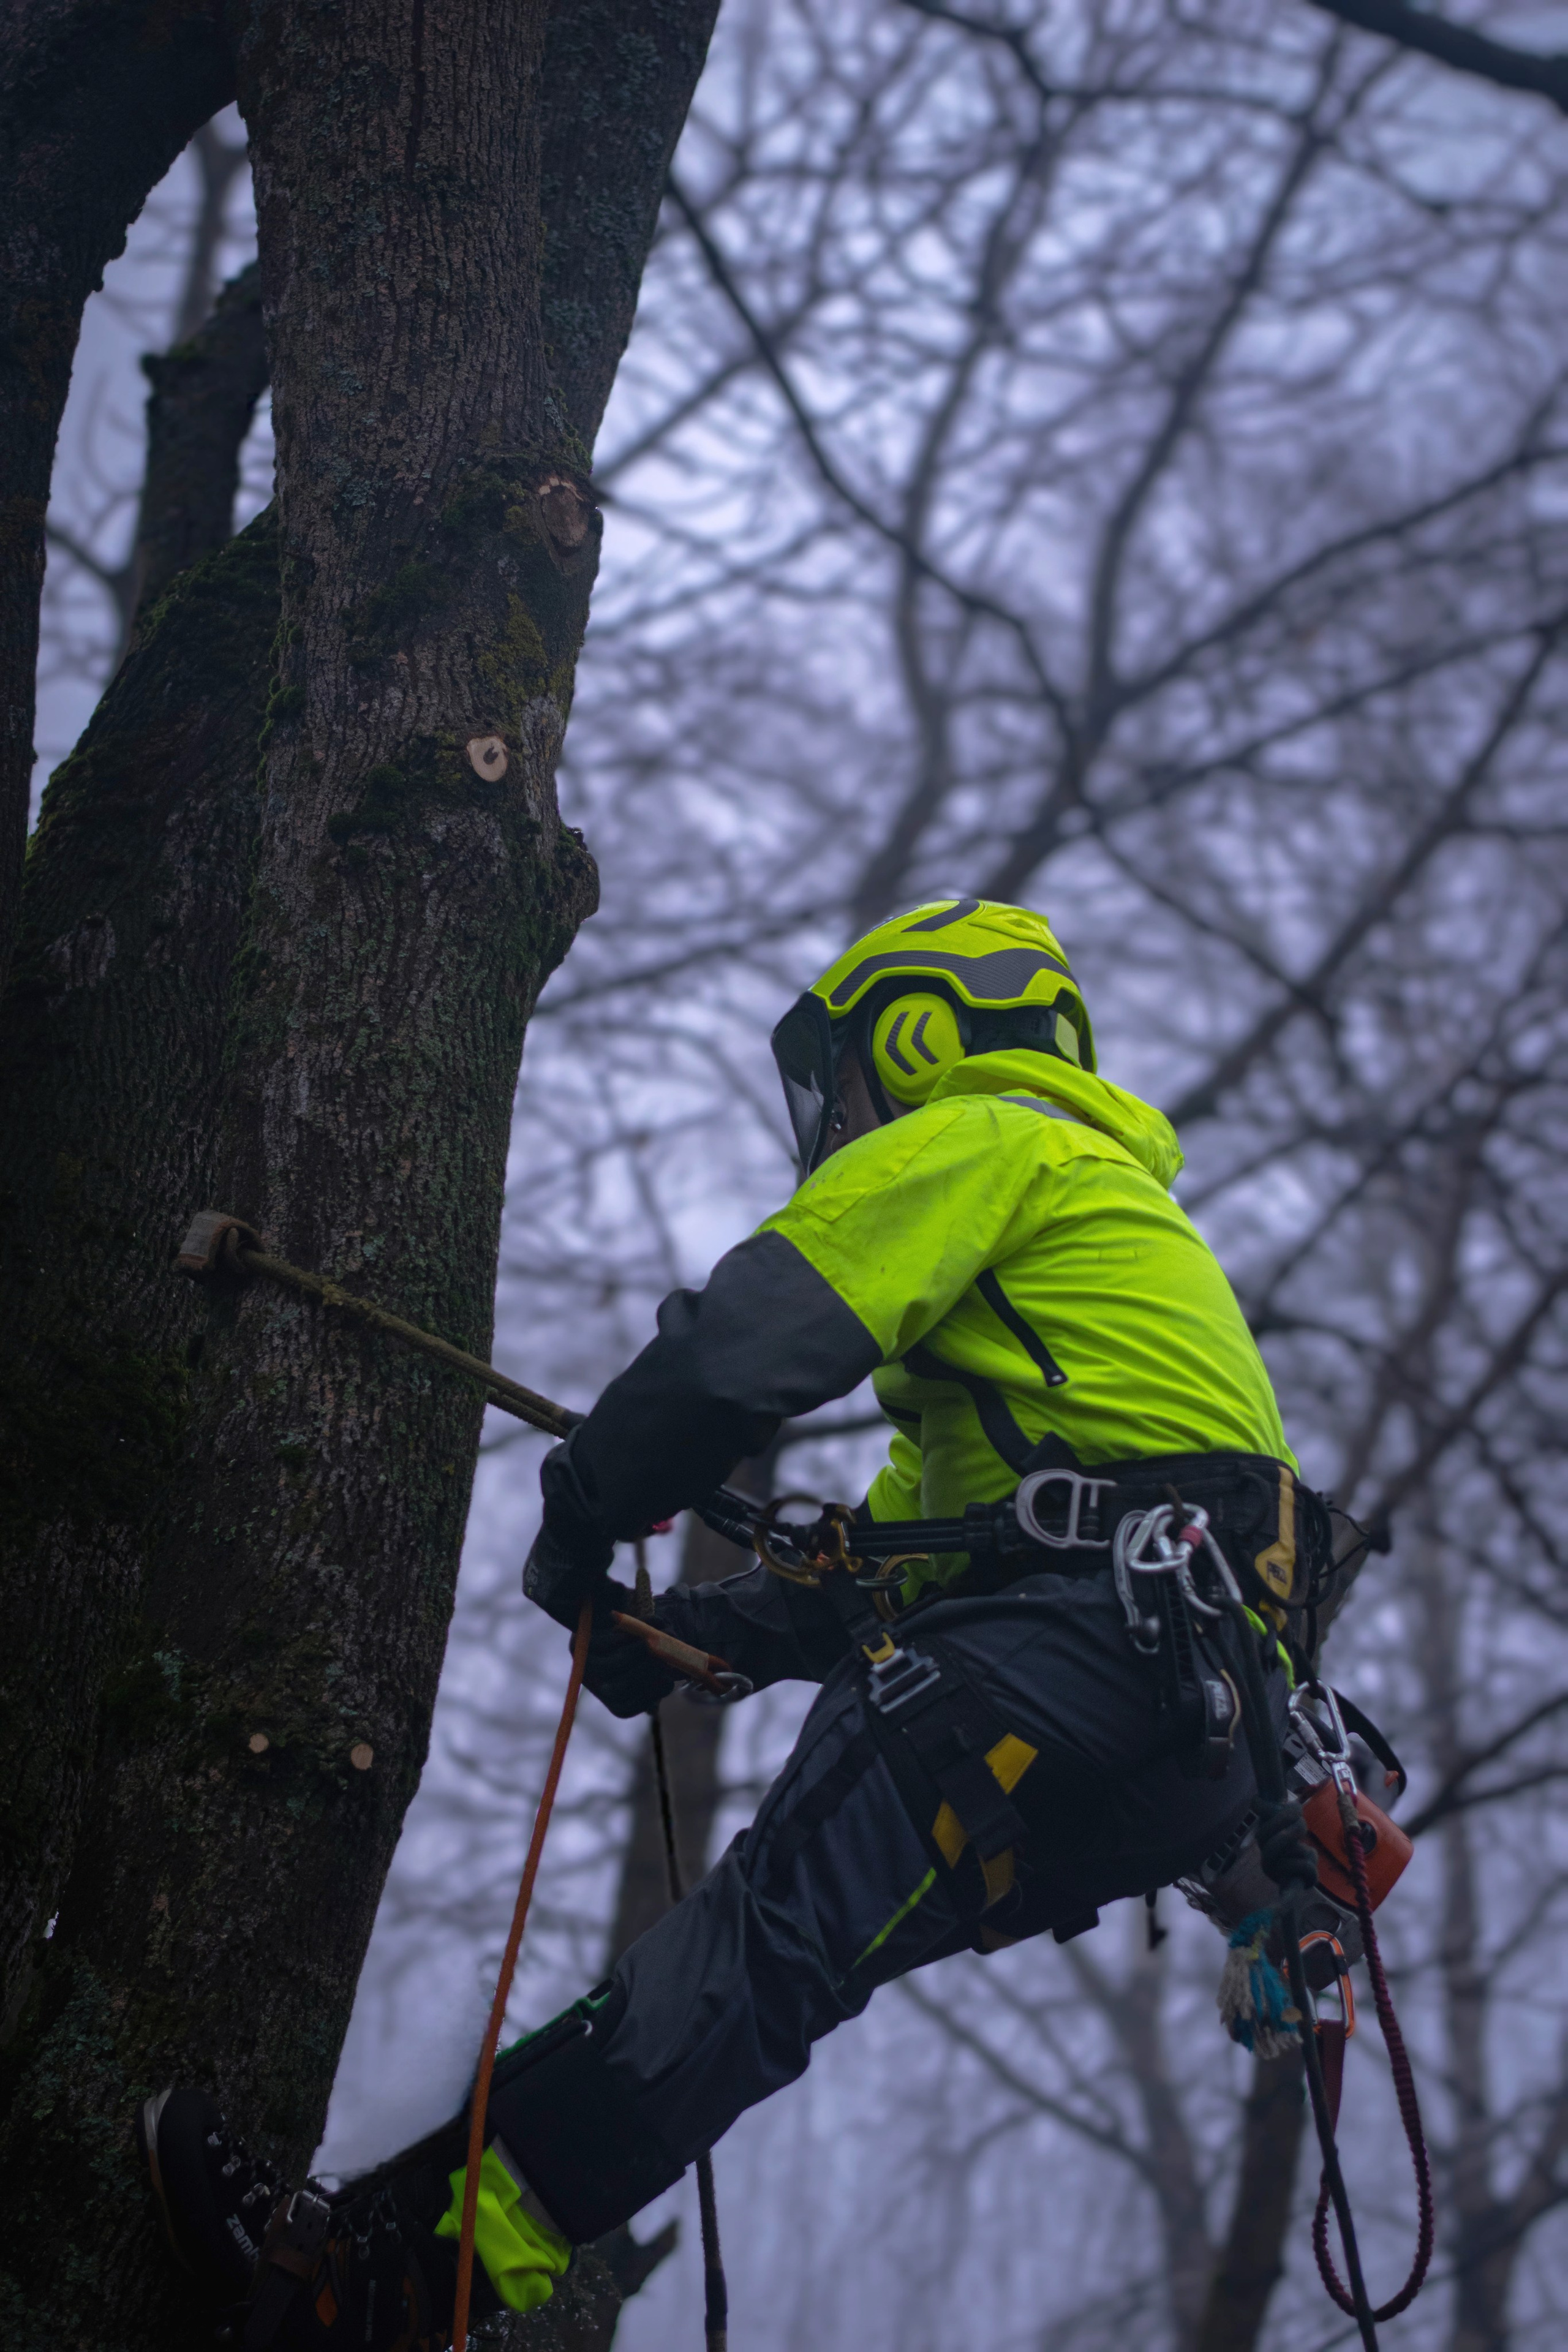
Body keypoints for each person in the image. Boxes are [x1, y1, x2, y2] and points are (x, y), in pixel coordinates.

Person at [140, 897, 1327, 2350]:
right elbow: (905, 1560)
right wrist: (707, 1630)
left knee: (759, 1948)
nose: (830, 1118)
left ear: (911, 1035)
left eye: (835, 1080)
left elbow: (744, 1346)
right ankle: (405, 2270)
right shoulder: (1108, 1260)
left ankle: (367, 2282)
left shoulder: (987, 1140)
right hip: (1184, 1747)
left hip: (1073, 1667)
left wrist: (585, 1508)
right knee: (782, 1963)